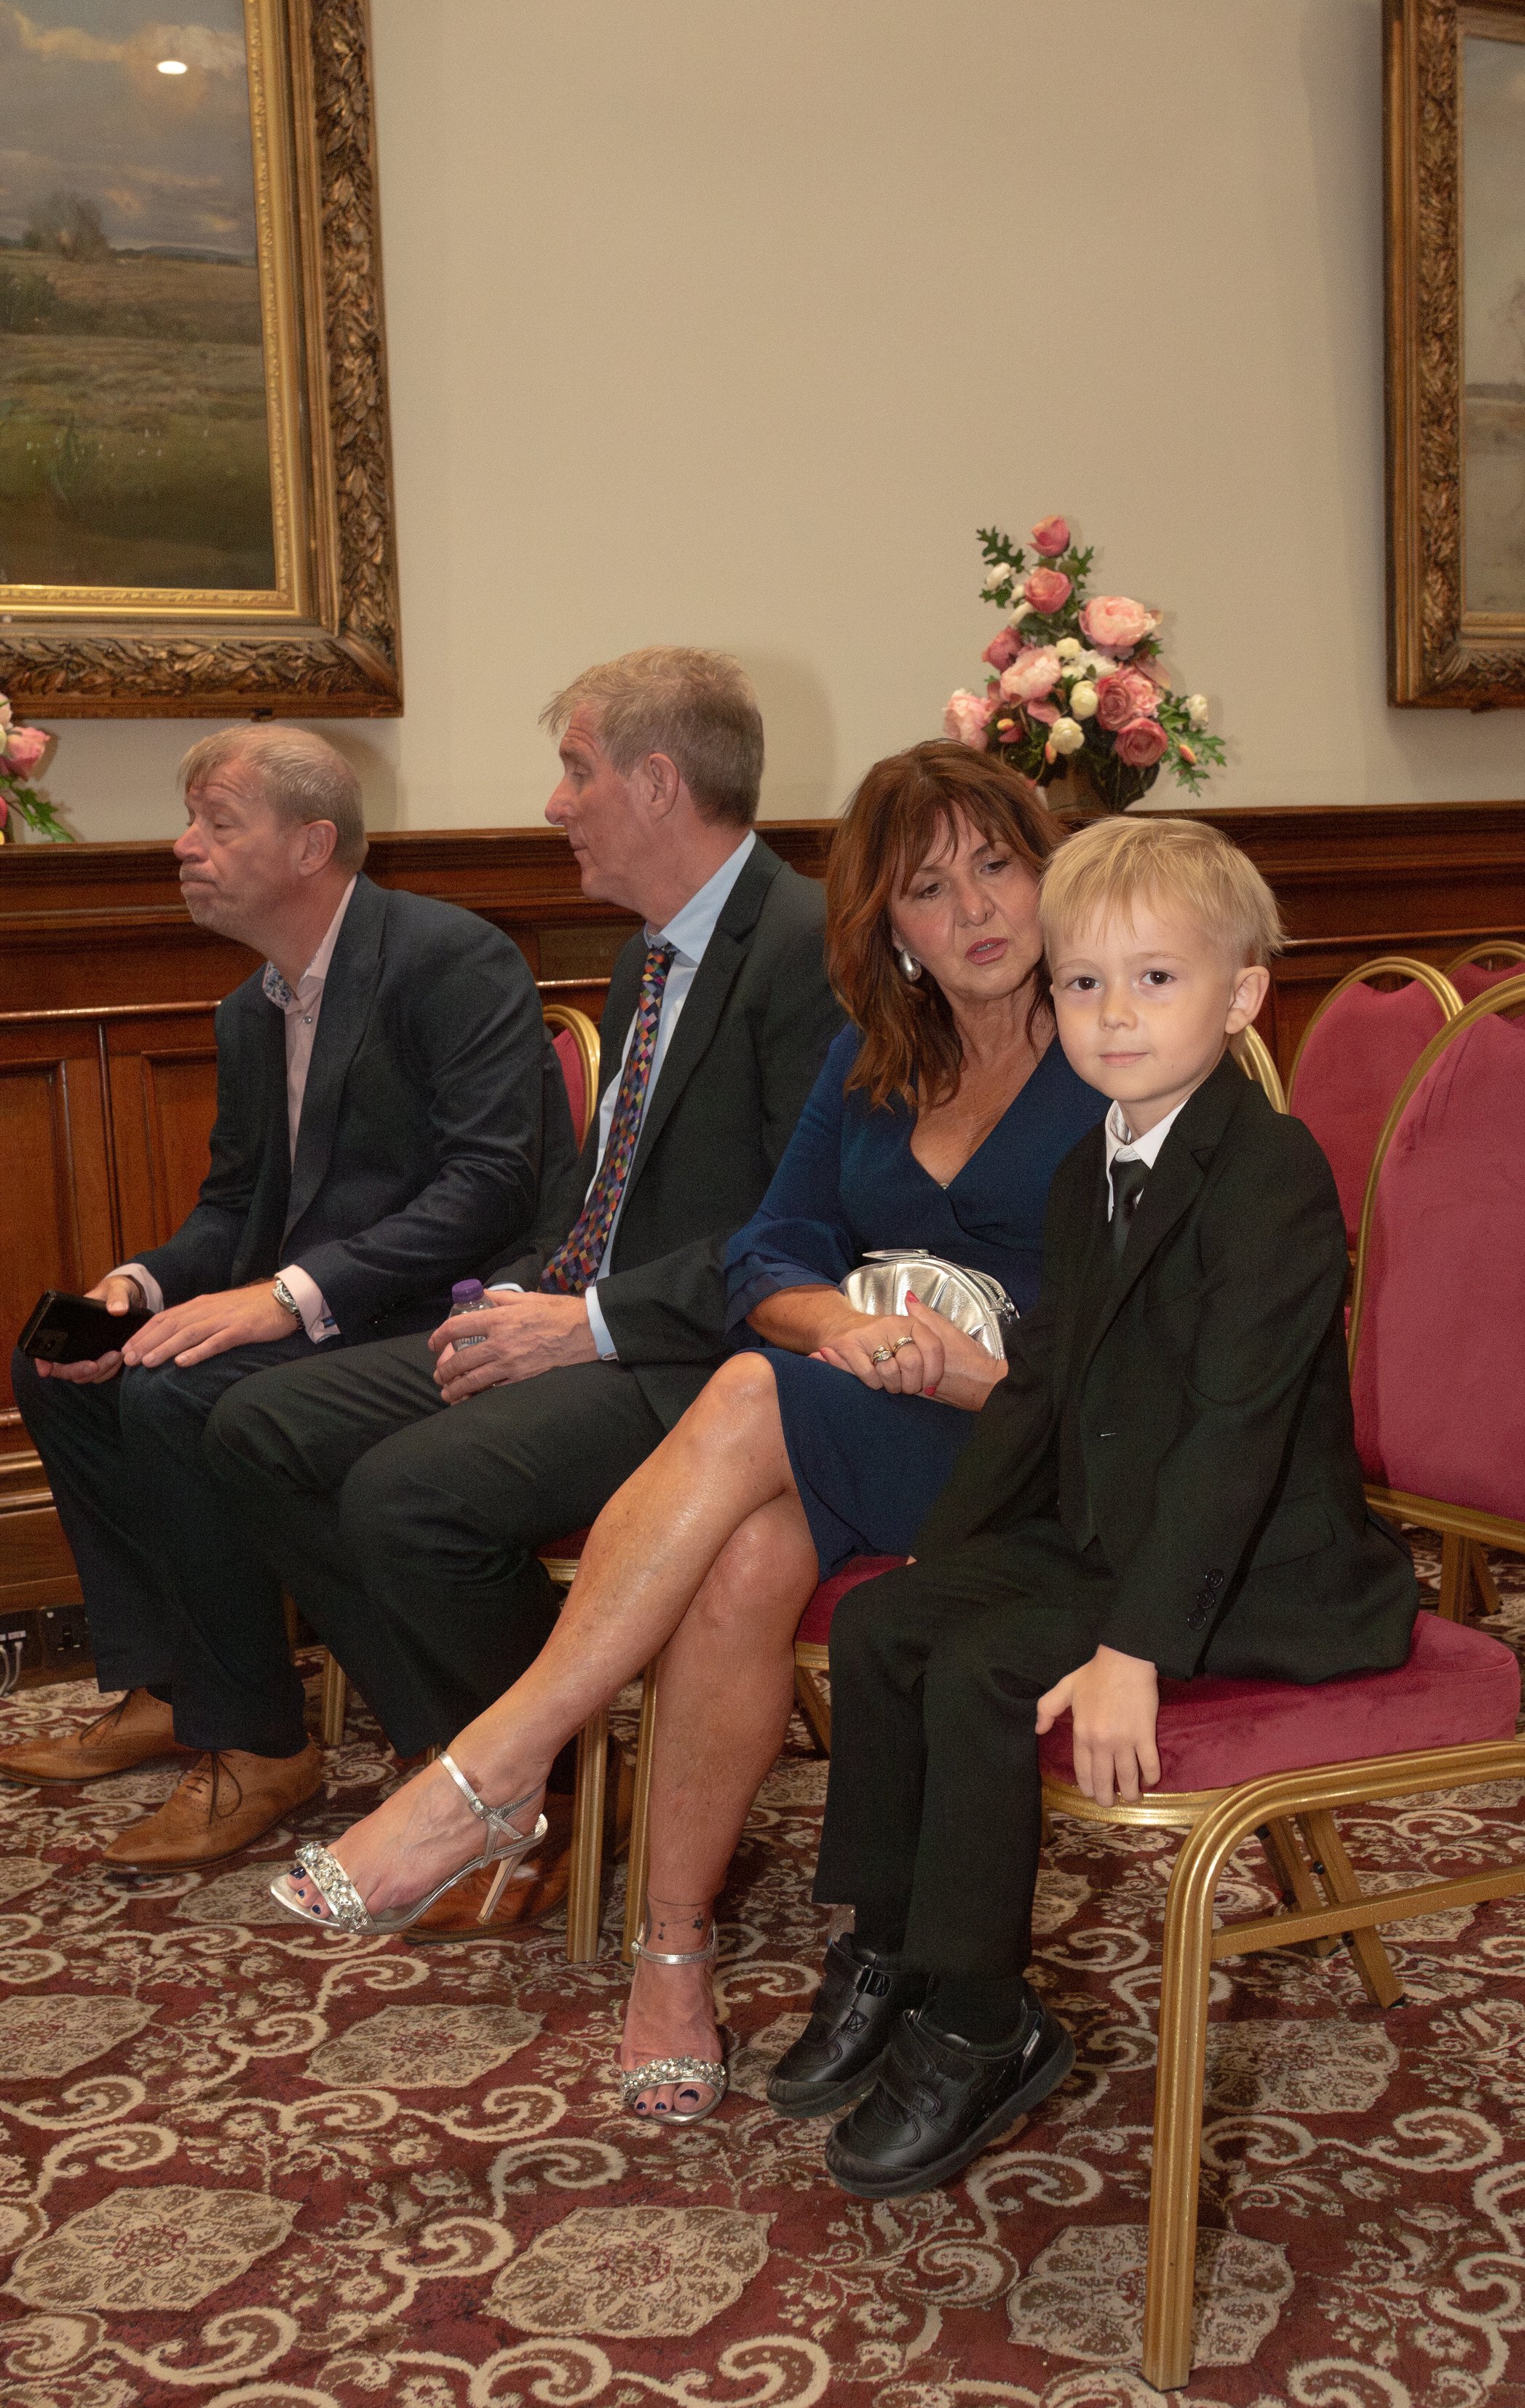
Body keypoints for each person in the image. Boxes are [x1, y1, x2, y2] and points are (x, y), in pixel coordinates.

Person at [265, 743, 1107, 2117]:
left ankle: (497, 1765)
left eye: (998, 866)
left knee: (744, 1395)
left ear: (1049, 866)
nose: (977, 911)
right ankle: (671, 1955)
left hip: (1037, 1447)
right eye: (931, 888)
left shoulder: (1114, 1044)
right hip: (876, 1420)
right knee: (743, 1555)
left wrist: (968, 1372)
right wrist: (842, 1328)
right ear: (888, 925)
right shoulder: (874, 1054)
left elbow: (1162, 1309)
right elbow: (768, 1252)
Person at [767, 813, 1422, 2200]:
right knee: (897, 1623)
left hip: (1264, 1568)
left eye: (1157, 980)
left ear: (1243, 993)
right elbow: (1047, 1385)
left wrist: (1134, 1649)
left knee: (990, 1669)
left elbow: (1237, 1440)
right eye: (1083, 983)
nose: (1113, 1016)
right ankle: (891, 1943)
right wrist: (955, 1550)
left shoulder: (1272, 1172)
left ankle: (981, 2017)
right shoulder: (1090, 1166)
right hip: (1122, 1521)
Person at [202, 649, 842, 1913]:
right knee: (256, 1425)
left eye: (576, 769)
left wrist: (588, 1321)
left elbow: (807, 1234)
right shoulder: (643, 957)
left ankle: (548, 1793)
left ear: (659, 783)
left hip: (710, 1361)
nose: (555, 804)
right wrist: (510, 1301)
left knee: (406, 1497)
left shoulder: (806, 948)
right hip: (586, 1320)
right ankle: (506, 1773)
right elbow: (589, 1191)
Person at [1, 727, 575, 1869]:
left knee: (177, 1396)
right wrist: (145, 1280)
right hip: (330, 1314)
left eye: (218, 822)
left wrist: (287, 1295)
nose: (184, 846)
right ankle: (177, 1678)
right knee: (61, 1365)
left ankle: (259, 1743)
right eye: (192, 821)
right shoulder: (248, 1009)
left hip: (459, 1307)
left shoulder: (448, 957)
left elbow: (488, 1185)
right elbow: (233, 1209)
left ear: (313, 843)